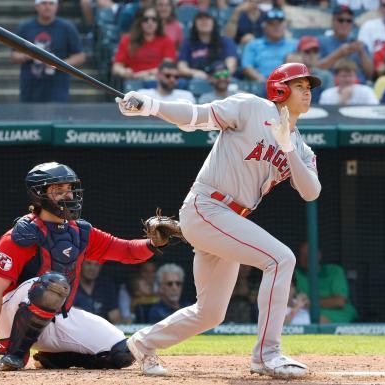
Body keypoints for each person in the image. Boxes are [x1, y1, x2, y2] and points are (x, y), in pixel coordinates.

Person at [116, 61, 322, 378]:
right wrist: (152, 105)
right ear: (280, 90)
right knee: (281, 259)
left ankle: (143, 343)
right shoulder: (250, 107)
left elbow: (311, 192)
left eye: (309, 88)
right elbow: (196, 117)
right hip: (207, 206)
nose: (307, 93)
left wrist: (287, 147)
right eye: (299, 86)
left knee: (210, 313)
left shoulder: (301, 146)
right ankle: (268, 355)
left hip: (227, 220)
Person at [0, 162, 168, 371]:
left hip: (57, 317)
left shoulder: (80, 232)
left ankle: (55, 359)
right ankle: (15, 353)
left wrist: (155, 243)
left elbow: (126, 251)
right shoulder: (21, 234)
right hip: (11, 315)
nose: (68, 196)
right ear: (39, 194)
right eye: (58, 190)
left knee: (122, 353)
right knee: (54, 283)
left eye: (70, 189)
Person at [10, 0, 86, 103]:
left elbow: (80, 56)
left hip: (58, 88)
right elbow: (13, 56)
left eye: (51, 3)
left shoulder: (67, 28)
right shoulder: (25, 27)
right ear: (36, 6)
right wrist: (30, 55)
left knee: (57, 118)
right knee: (29, 118)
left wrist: (59, 63)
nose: (47, 7)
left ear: (57, 6)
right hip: (30, 87)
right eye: (44, 3)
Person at [294, 242, 357, 324]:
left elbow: (339, 302)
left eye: (310, 253)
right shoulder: (296, 274)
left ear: (319, 255)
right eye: (303, 255)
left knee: (317, 320)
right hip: (305, 313)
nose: (307, 258)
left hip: (337, 312)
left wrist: (311, 303)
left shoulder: (334, 271)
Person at [112, 7, 176, 83]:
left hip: (158, 82)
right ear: (139, 22)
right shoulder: (127, 40)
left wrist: (145, 74)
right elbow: (116, 67)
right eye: (146, 19)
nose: (150, 22)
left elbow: (168, 67)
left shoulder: (167, 41)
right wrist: (124, 72)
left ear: (158, 22)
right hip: (135, 82)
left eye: (154, 19)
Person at [318, 5, 374, 84]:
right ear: (333, 21)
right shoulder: (321, 41)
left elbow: (370, 75)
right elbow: (317, 70)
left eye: (349, 21)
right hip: (332, 88)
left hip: (358, 87)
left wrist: (361, 52)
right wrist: (339, 53)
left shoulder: (360, 44)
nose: (344, 24)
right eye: (341, 20)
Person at [178, 10, 238, 80]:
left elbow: (231, 65)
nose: (204, 21)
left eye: (207, 18)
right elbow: (181, 67)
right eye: (200, 19)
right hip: (197, 80)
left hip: (221, 79)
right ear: (195, 24)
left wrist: (218, 76)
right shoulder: (187, 43)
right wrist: (195, 73)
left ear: (214, 22)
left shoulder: (226, 41)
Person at [242, 8, 297, 82]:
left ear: (284, 26)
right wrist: (264, 82)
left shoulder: (294, 44)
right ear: (264, 27)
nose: (276, 27)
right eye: (272, 24)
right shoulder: (253, 45)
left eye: (279, 24)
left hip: (290, 83)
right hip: (262, 84)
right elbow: (247, 67)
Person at [296, 36, 334, 104]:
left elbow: (330, 101)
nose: (312, 55)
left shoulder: (326, 76)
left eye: (315, 52)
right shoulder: (291, 76)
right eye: (307, 52)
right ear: (299, 54)